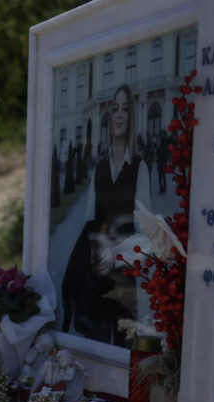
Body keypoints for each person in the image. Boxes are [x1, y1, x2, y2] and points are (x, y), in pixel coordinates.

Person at [62, 84, 151, 346]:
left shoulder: (139, 168)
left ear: (131, 116)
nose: (119, 114)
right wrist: (98, 251)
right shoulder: (99, 169)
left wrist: (118, 253)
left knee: (125, 348)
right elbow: (90, 221)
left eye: (125, 109)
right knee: (98, 348)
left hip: (125, 277)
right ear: (110, 117)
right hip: (99, 274)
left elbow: (146, 231)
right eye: (115, 109)